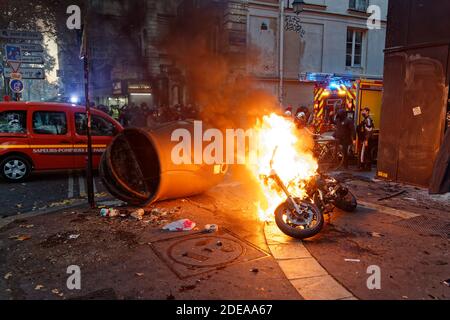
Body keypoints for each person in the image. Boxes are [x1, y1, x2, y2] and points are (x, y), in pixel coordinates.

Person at [357, 107, 375, 171]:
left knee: (364, 153)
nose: (362, 112)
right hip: (365, 139)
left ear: (367, 112)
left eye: (364, 111)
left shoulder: (368, 120)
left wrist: (366, 140)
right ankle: (366, 167)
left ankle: (364, 167)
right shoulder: (365, 119)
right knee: (366, 153)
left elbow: (369, 130)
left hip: (366, 139)